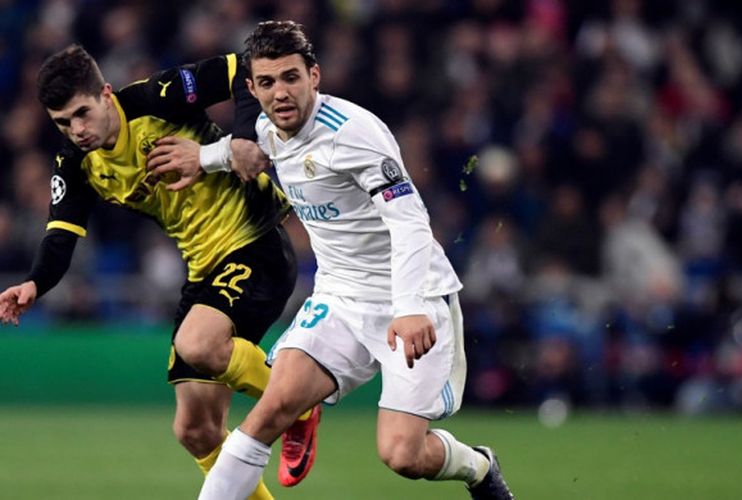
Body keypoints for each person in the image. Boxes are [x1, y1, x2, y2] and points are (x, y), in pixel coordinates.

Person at [148, 21, 514, 499]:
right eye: (267, 82)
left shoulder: (355, 134)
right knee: (268, 412)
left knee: (402, 455)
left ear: (314, 76)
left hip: (412, 296)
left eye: (291, 78)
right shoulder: (265, 126)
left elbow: (409, 222)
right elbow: (253, 153)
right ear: (253, 89)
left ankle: (479, 467)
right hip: (340, 298)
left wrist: (408, 306)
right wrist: (205, 157)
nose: (280, 93)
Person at [0, 44, 321, 498]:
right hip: (203, 269)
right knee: (195, 428)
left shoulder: (158, 97)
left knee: (199, 342)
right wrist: (35, 282)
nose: (77, 131)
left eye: (82, 114)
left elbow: (241, 70)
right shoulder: (75, 166)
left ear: (106, 94)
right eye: (63, 123)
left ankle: (300, 403)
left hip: (256, 242)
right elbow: (60, 236)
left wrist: (244, 139)